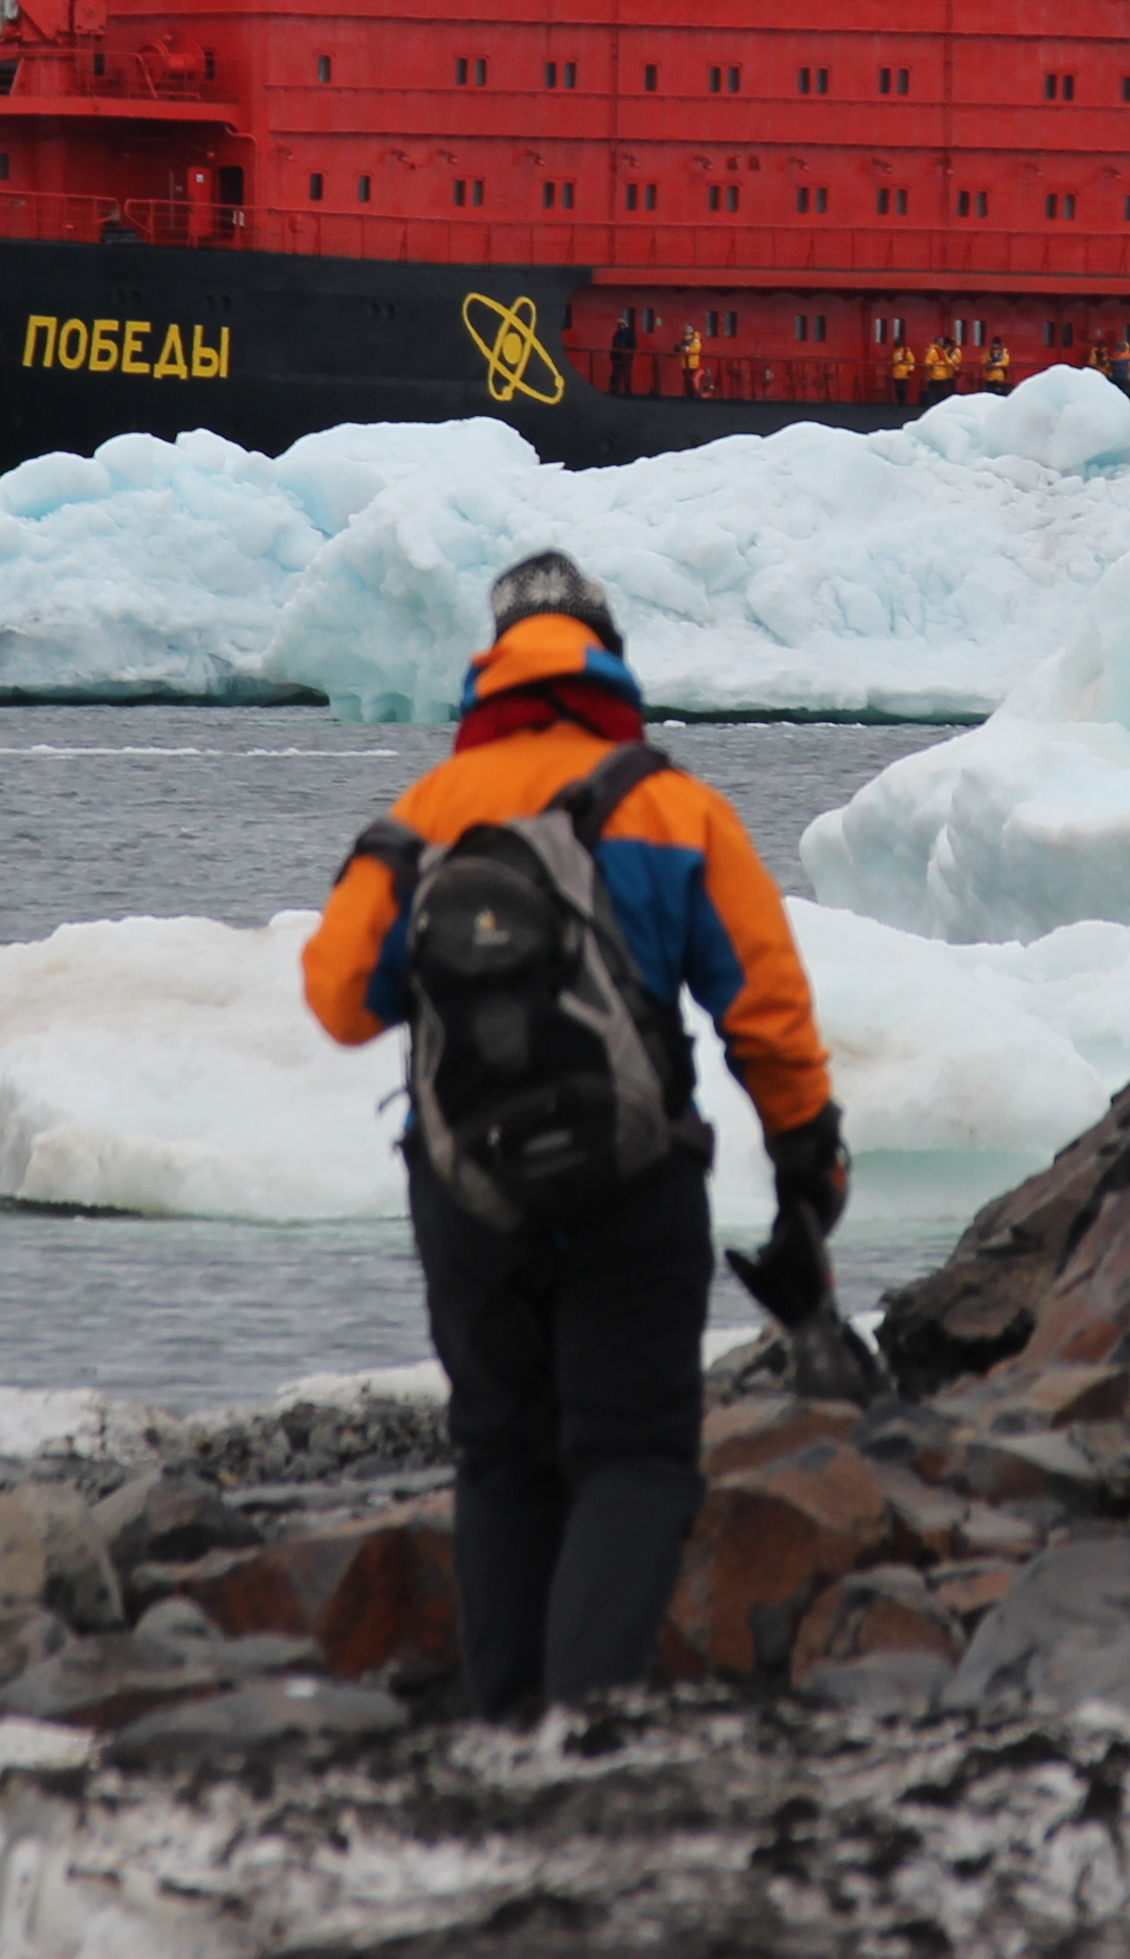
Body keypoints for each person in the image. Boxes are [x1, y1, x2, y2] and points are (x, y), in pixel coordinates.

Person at [303, 551, 845, 1719]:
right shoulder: (670, 804)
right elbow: (767, 1009)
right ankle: (585, 1727)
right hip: (634, 1184)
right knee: (634, 1455)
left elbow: (341, 997)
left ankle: (503, 1731)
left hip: (468, 1193)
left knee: (503, 1459)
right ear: (607, 660)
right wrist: (810, 1162)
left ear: (488, 673)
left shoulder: (421, 816)